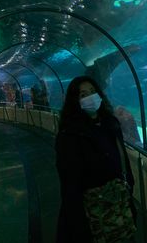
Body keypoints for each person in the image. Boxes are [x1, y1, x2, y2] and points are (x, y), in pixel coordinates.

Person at [55, 76, 136, 243]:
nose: (90, 97)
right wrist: (78, 226)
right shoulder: (69, 136)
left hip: (120, 204)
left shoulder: (111, 123)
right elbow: (70, 184)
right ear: (75, 101)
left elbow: (123, 161)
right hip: (94, 212)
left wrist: (129, 190)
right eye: (83, 94)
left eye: (92, 92)